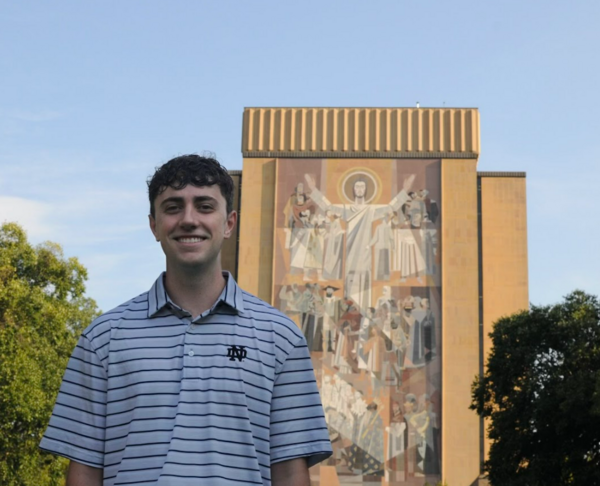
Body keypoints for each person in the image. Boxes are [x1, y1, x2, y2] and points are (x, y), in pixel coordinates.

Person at [39, 154, 332, 486]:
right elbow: (84, 472)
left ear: (229, 223)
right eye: (173, 207)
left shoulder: (280, 338)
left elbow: (290, 472)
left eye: (205, 207)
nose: (189, 220)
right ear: (154, 225)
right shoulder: (102, 339)